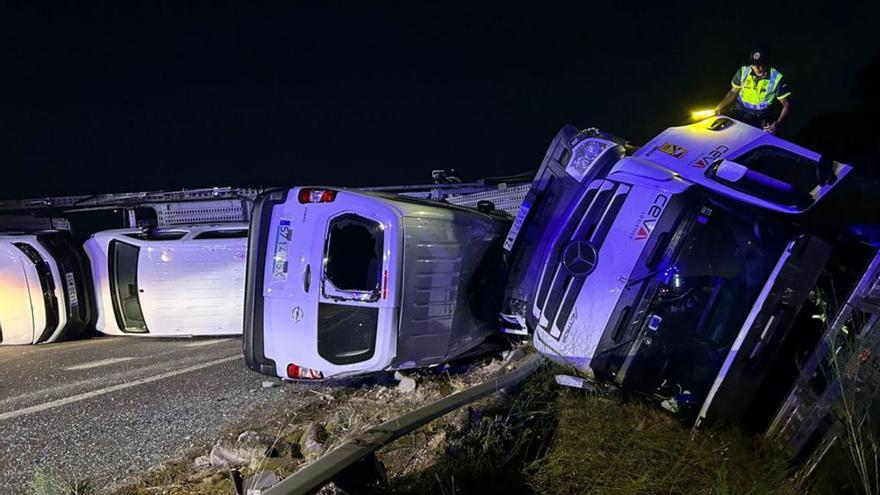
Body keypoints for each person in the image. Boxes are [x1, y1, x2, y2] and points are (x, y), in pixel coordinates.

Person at [714, 49, 791, 134]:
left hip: (759, 117)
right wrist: (719, 107)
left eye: (760, 64)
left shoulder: (776, 77)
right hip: (738, 113)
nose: (757, 68)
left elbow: (786, 104)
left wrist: (777, 124)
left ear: (767, 63)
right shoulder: (743, 71)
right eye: (754, 64)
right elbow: (733, 91)